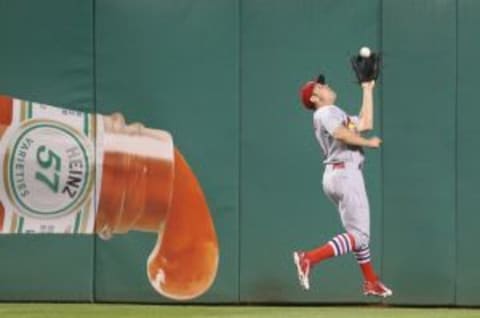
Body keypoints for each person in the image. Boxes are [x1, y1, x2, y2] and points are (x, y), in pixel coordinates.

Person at [293, 75, 392, 297]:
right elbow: (340, 134)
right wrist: (368, 143)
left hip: (337, 174)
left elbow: (365, 123)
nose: (327, 85)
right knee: (359, 235)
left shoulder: (335, 113)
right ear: (314, 96)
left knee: (357, 236)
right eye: (321, 86)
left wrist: (367, 89)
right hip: (345, 173)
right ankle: (309, 258)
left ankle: (371, 281)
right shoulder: (325, 112)